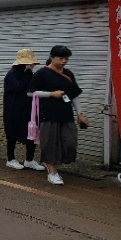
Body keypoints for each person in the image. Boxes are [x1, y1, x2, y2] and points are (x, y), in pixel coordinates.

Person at [30, 45, 89, 185]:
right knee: (50, 143)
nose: (64, 61)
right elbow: (30, 92)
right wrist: (51, 94)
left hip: (66, 114)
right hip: (48, 114)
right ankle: (52, 171)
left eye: (66, 58)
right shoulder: (42, 74)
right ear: (52, 57)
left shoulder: (68, 74)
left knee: (70, 142)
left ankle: (52, 163)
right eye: (61, 58)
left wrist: (79, 113)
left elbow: (74, 94)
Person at [4, 50, 45, 171]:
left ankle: (29, 160)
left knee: (31, 132)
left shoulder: (29, 73)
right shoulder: (11, 74)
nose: (32, 65)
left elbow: (32, 88)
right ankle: (10, 159)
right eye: (30, 63)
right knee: (12, 134)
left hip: (28, 109)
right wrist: (28, 75)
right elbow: (19, 87)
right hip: (13, 110)